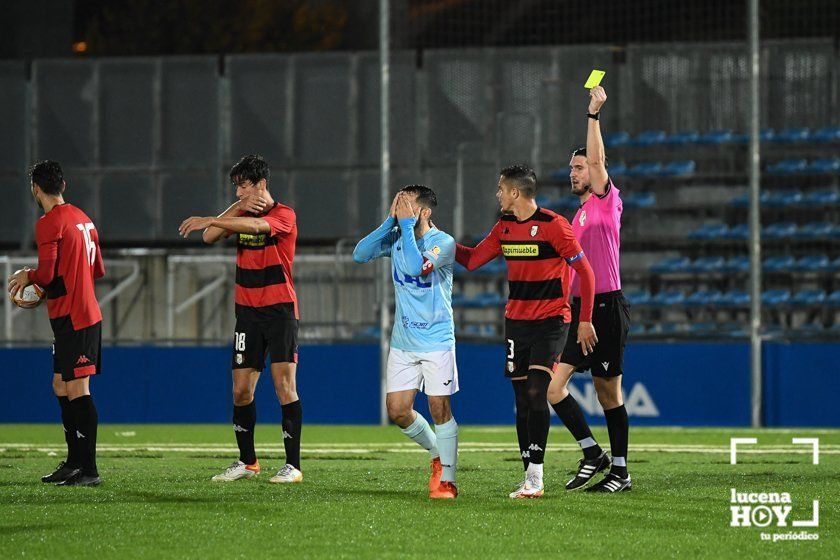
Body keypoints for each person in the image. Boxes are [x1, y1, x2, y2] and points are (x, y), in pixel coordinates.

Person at [455, 165, 597, 498]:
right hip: (516, 323)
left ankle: (536, 477)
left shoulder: (554, 226)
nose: (498, 194)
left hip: (551, 321)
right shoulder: (504, 227)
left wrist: (586, 319)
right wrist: (440, 241)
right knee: (522, 400)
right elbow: (474, 260)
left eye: (501, 188)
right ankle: (529, 474)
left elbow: (586, 273)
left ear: (515, 193)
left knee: (537, 392)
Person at [179, 154, 303, 484]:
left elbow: (258, 226)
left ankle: (293, 466)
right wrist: (234, 209)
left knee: (284, 387)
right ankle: (248, 462)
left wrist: (211, 218)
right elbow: (209, 237)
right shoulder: (240, 211)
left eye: (244, 186)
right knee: (240, 392)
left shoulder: (284, 214)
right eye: (236, 187)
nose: (238, 193)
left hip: (279, 312)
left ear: (262, 185)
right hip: (246, 314)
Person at [548, 86, 632, 493]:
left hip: (607, 306)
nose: (573, 172)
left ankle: (620, 471)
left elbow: (598, 159)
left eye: (578, 167)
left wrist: (594, 114)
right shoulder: (578, 215)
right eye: (572, 168)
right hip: (582, 309)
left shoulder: (605, 200)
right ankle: (592, 453)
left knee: (608, 393)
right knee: (554, 388)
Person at [353, 186, 460, 500]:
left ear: (424, 212)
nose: (401, 210)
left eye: (407, 206)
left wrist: (407, 229)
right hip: (403, 341)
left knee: (439, 407)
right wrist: (390, 223)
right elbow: (359, 254)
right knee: (397, 410)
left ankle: (448, 478)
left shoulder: (444, 243)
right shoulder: (397, 236)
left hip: (438, 340)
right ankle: (437, 455)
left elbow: (416, 267)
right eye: (398, 204)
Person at [8, 160, 105, 486]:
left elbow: (46, 275)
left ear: (35, 188)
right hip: (73, 315)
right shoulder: (84, 219)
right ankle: (73, 462)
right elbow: (97, 271)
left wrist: (27, 277)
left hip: (77, 318)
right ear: (62, 186)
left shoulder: (49, 223)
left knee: (78, 389)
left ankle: (89, 470)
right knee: (61, 386)